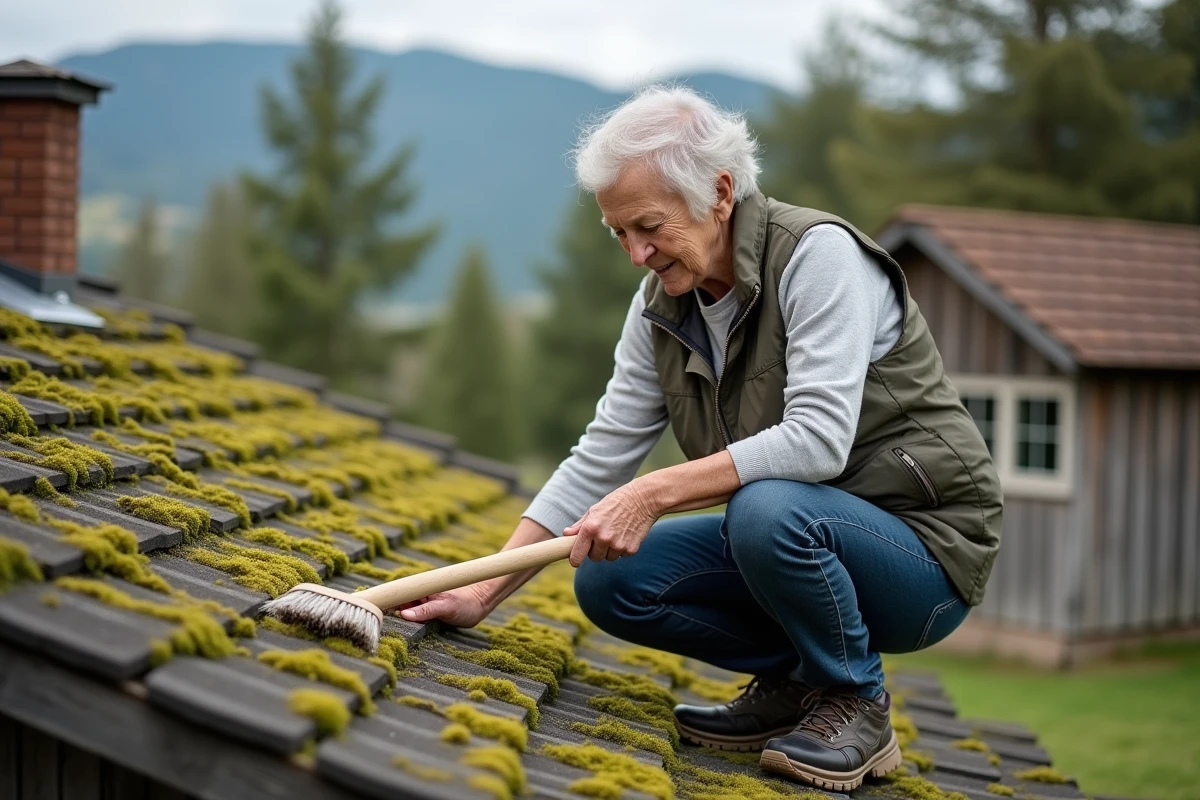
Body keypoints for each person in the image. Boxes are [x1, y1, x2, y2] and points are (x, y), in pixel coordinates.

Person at [400, 85, 1003, 792]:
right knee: (609, 577)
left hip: (924, 555)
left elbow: (816, 444)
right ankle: (795, 686)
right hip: (801, 535)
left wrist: (653, 492)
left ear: (720, 193)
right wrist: (486, 592)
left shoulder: (819, 258)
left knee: (766, 507)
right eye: (618, 232)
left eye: (648, 226)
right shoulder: (659, 309)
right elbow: (600, 455)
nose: (636, 254)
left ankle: (857, 702)